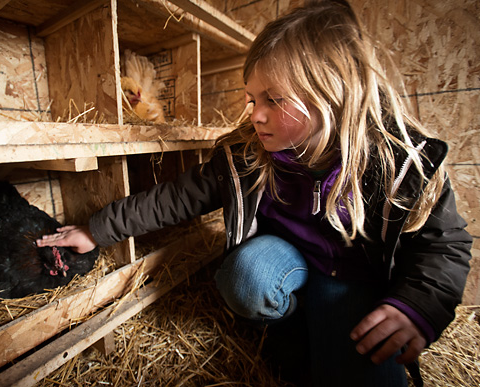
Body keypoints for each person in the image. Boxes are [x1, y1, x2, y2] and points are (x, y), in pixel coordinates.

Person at [37, 1, 472, 385]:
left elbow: (444, 244)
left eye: (273, 100)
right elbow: (179, 196)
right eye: (251, 99)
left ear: (332, 96)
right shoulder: (248, 151)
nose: (256, 115)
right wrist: (98, 230)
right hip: (285, 259)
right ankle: (287, 325)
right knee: (248, 279)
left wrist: (416, 306)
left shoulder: (400, 163)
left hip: (357, 280)